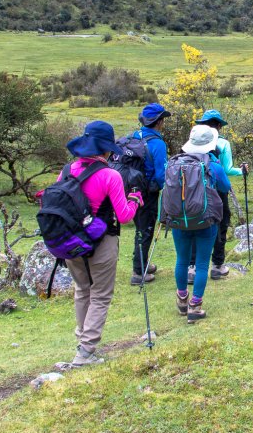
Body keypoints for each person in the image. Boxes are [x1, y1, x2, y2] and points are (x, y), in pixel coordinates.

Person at [60, 121, 143, 366]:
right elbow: (125, 216)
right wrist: (135, 199)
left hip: (71, 240)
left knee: (82, 290)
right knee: (101, 295)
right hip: (101, 240)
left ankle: (82, 343)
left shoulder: (66, 170)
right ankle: (86, 352)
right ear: (106, 149)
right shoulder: (110, 175)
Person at [169, 125, 232, 323]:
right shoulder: (213, 166)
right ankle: (195, 305)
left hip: (179, 220)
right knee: (203, 263)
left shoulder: (173, 163)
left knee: (182, 259)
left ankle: (181, 300)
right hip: (205, 221)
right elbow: (225, 187)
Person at [187, 110, 246, 282]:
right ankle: (217, 266)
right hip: (217, 191)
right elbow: (227, 170)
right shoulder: (223, 144)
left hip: (194, 190)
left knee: (194, 224)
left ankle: (192, 267)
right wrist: (242, 171)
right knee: (220, 223)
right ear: (219, 125)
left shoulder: (191, 143)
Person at [129, 103, 170, 285]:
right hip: (148, 192)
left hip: (131, 190)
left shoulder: (133, 137)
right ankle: (138, 272)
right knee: (146, 229)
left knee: (140, 227)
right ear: (159, 122)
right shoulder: (157, 144)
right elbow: (162, 174)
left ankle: (143, 262)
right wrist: (164, 188)